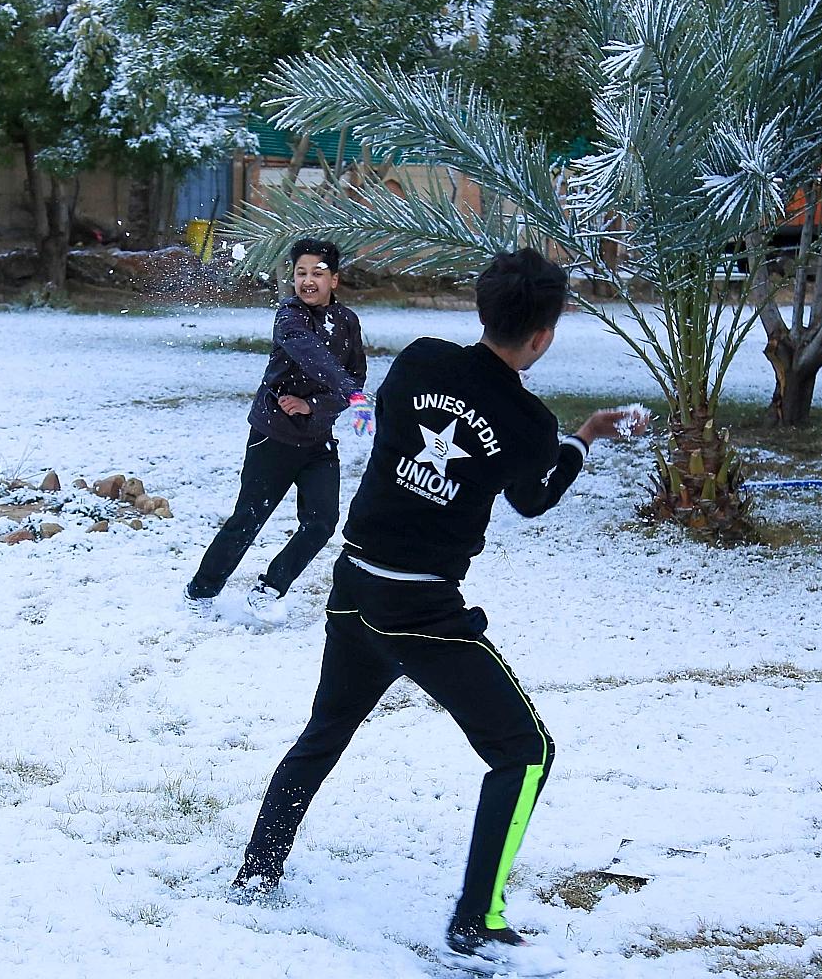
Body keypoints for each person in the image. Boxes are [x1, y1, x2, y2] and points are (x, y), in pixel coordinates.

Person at [231, 248, 643, 966]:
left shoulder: (420, 359)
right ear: (543, 335)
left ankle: (257, 871)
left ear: (484, 308)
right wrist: (582, 439)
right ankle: (475, 924)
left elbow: (395, 426)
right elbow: (532, 498)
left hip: (354, 582)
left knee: (325, 730)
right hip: (420, 608)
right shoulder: (529, 423)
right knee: (525, 751)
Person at [184, 238, 368, 623]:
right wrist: (349, 393)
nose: (307, 281)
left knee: (321, 523)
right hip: (274, 436)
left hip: (318, 440)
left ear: (334, 279)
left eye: (317, 273)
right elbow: (312, 357)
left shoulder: (348, 322)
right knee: (248, 518)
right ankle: (199, 591)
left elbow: (355, 377)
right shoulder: (289, 316)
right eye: (301, 273)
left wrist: (315, 405)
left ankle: (269, 589)